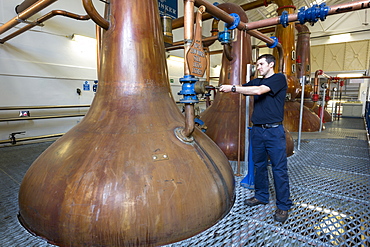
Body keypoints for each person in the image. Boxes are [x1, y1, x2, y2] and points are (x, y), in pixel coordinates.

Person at [219, 54, 292, 222]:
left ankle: (283, 206)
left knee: (278, 169)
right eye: (257, 64)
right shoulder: (256, 81)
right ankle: (261, 195)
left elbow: (258, 91)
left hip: (274, 131)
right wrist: (225, 86)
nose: (258, 67)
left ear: (271, 64)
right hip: (257, 131)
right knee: (259, 165)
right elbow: (244, 87)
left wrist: (232, 88)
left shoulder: (279, 78)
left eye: (261, 64)